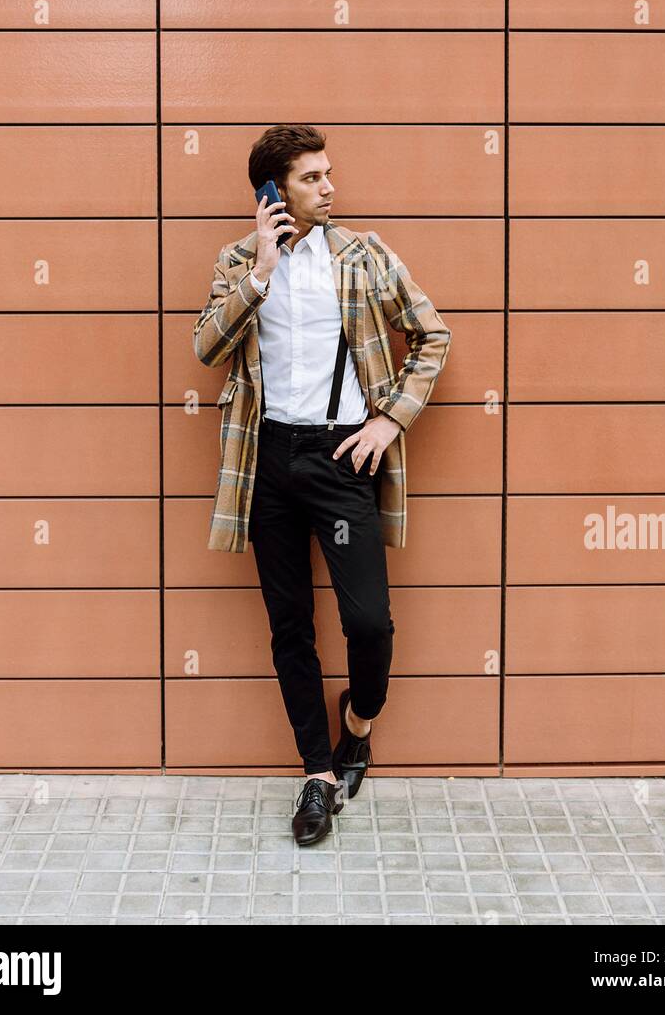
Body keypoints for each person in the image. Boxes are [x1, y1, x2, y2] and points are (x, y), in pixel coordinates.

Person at [193, 124, 452, 844]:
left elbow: (433, 336)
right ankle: (317, 773)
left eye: (327, 173)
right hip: (269, 461)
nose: (328, 187)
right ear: (271, 192)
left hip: (343, 461)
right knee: (290, 627)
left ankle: (358, 724)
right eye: (310, 178)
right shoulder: (240, 262)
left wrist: (390, 421)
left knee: (368, 620)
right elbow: (207, 346)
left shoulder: (363, 256)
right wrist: (260, 272)